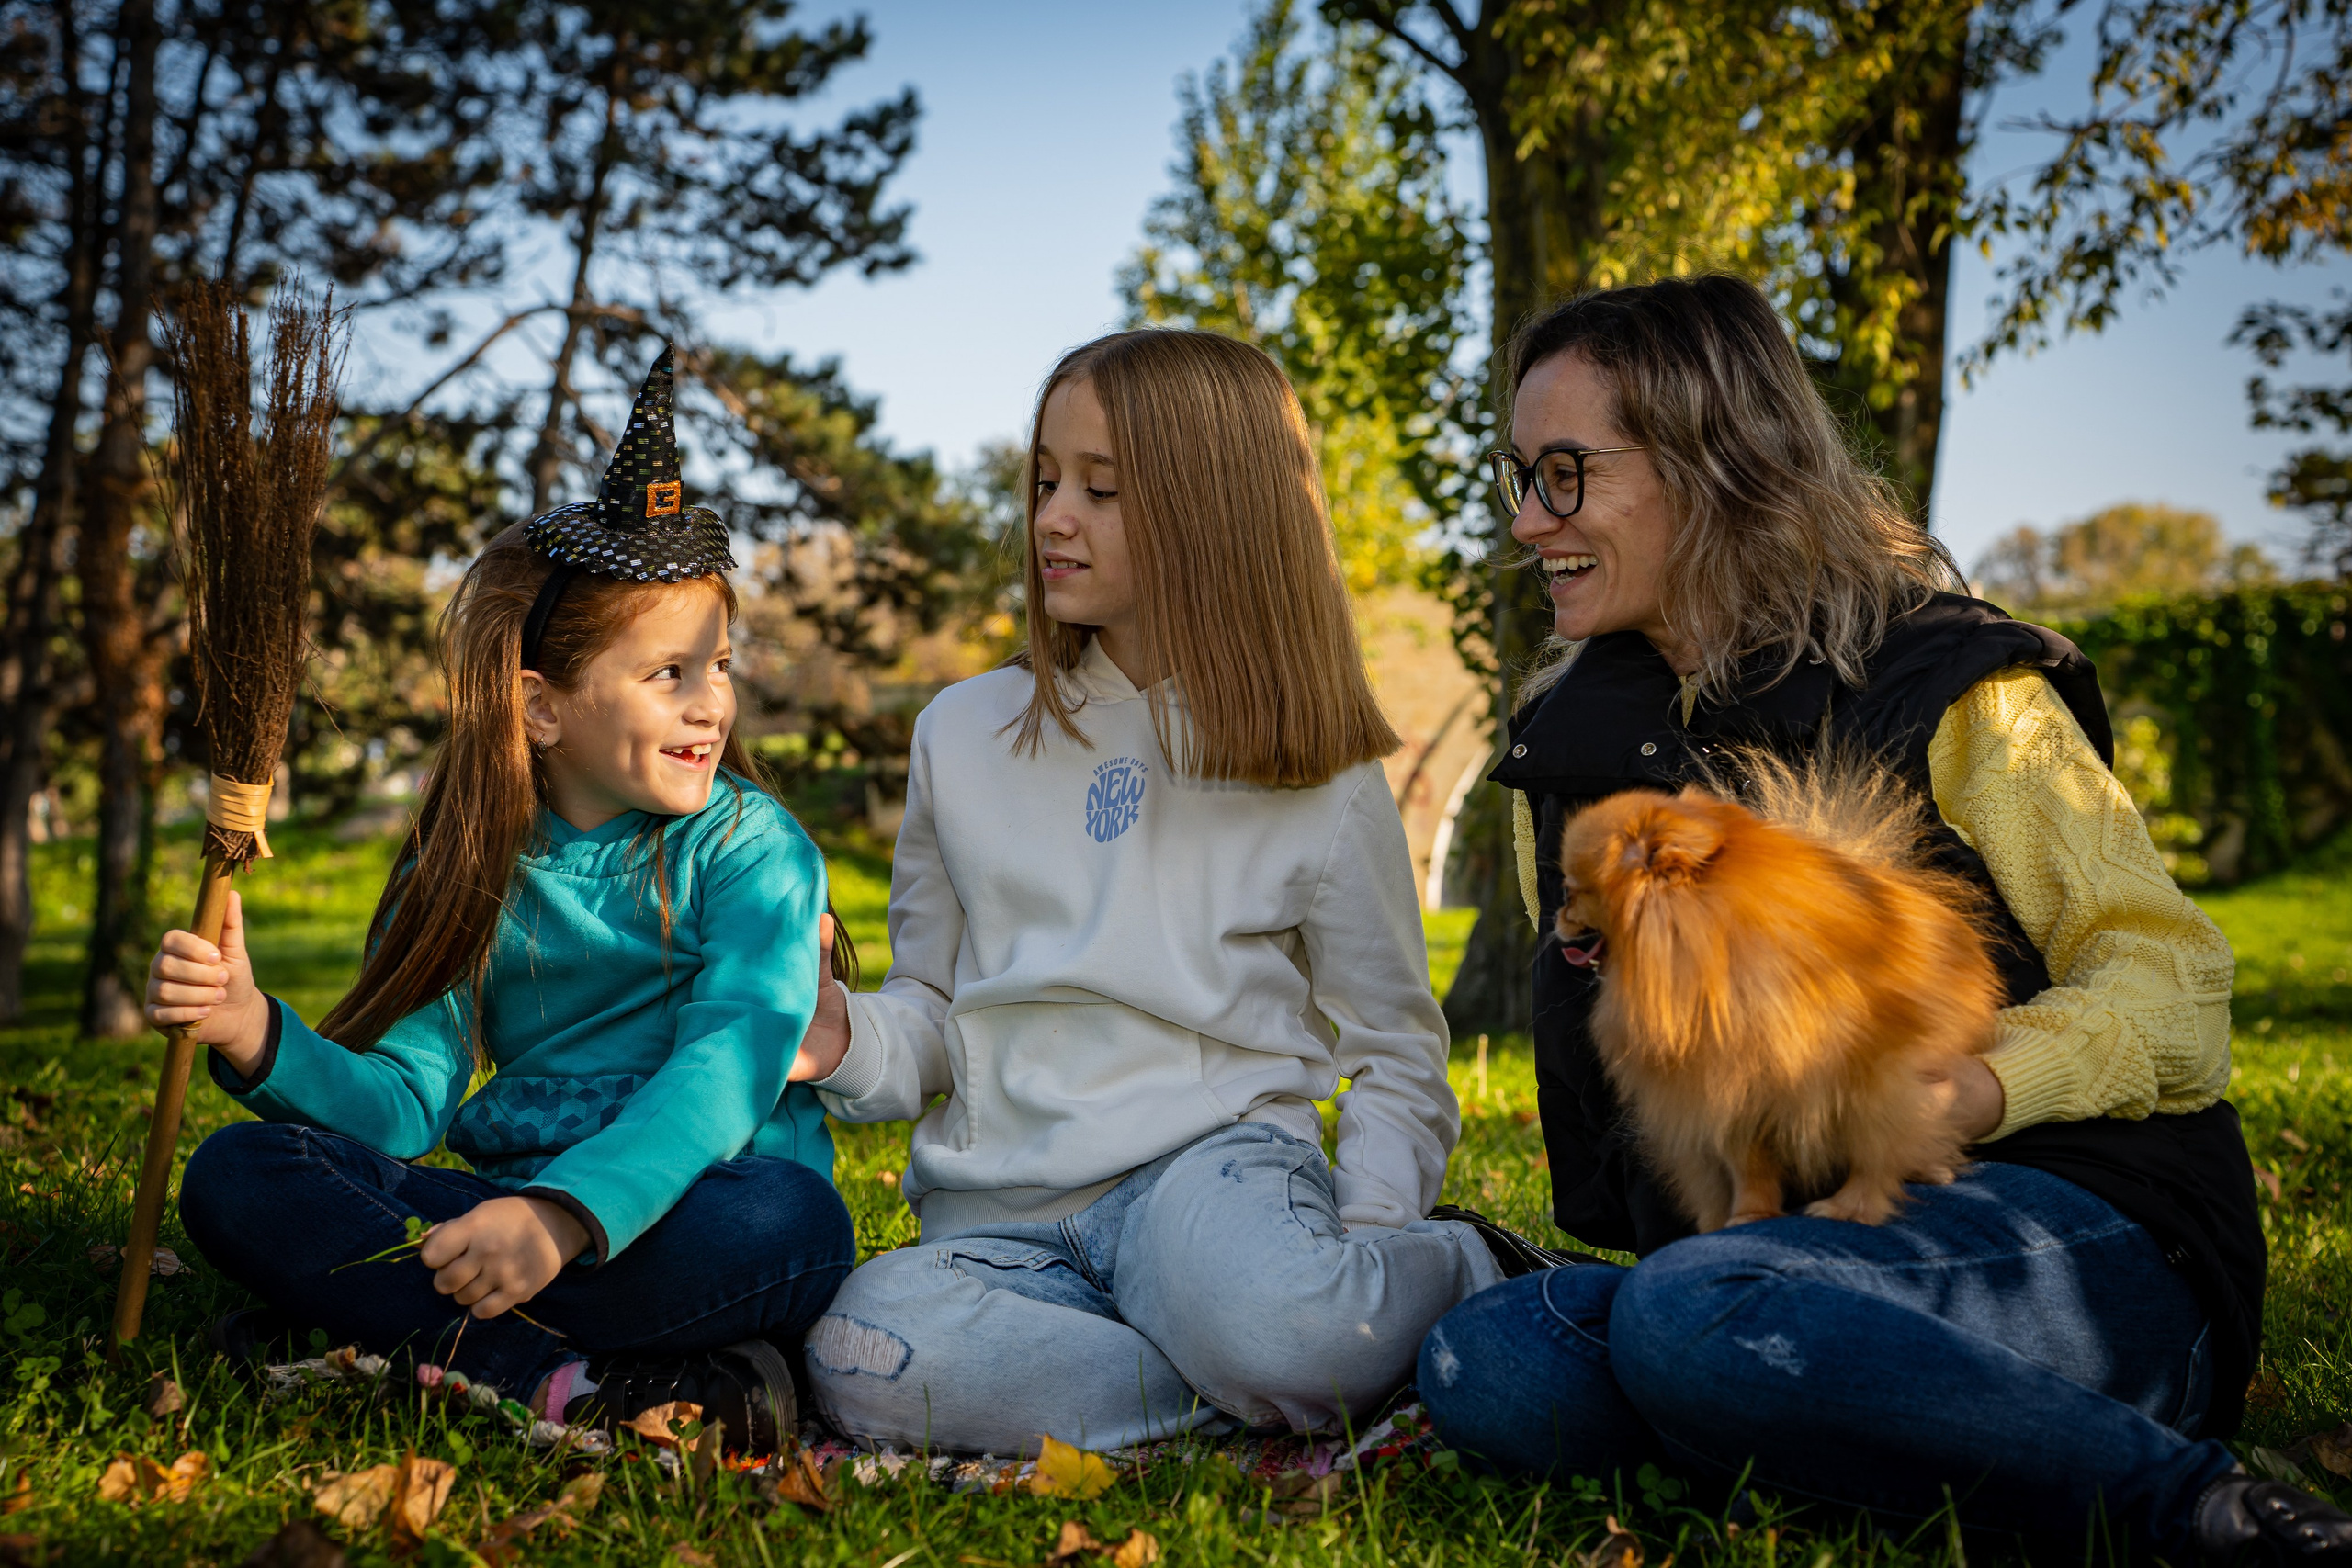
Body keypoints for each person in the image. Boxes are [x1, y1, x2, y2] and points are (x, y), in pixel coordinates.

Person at [1415, 276, 2352, 1562]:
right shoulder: (1575, 756)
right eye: (1520, 476)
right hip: (1773, 1263)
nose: (1527, 521)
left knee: (1686, 1317)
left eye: (1565, 475)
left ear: (1713, 463)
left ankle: (2195, 1508)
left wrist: (1970, 1088)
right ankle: (1858, 1428)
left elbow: (2176, 983)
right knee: (1491, 1357)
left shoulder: (1957, 683)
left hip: (2072, 1223)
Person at [787, 328, 1518, 1455]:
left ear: (1213, 510)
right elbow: (931, 1010)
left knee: (1288, 1323)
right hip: (1002, 1229)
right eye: (1044, 481)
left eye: (1101, 489)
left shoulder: (1320, 766)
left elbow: (1393, 1048)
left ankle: (1430, 1283)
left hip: (1211, 1185)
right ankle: (1237, 1387)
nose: (1050, 519)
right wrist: (841, 1037)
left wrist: (1364, 1250)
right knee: (862, 1352)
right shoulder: (961, 732)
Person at [151, 351, 854, 1450]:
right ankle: (569, 1378)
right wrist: (250, 1030)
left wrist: (562, 1218)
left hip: (702, 1202)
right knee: (240, 1177)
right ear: (540, 707)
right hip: (503, 1223)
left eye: (718, 664)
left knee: (787, 1219)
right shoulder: (469, 859)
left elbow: (726, 1069)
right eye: (668, 673)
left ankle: (398, 1337)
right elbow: (403, 1106)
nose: (710, 702)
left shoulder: (754, 851)